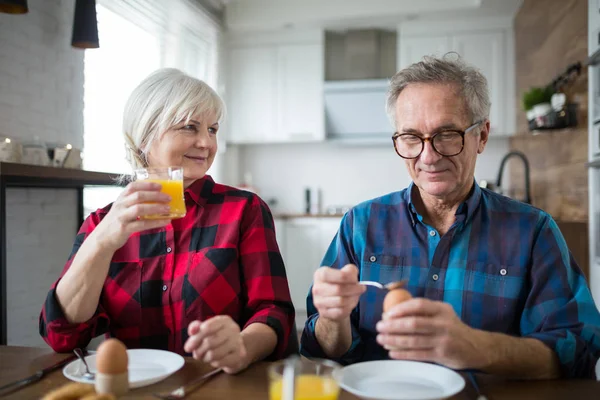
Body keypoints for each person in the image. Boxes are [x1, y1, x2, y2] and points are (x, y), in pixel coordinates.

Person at [300, 54, 600, 379]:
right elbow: (320, 351)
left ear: (481, 136)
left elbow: (578, 348)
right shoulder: (360, 225)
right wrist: (332, 319)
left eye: (446, 134)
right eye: (412, 137)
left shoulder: (533, 232)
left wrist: (477, 348)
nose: (428, 156)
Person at [39, 68, 295, 374]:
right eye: (190, 127)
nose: (206, 143)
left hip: (215, 385)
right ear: (145, 137)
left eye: (212, 129)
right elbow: (61, 335)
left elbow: (273, 312)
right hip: (132, 389)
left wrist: (242, 346)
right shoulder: (102, 223)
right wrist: (102, 242)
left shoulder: (244, 210)